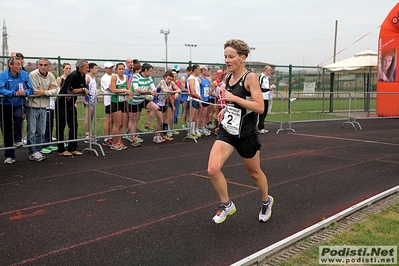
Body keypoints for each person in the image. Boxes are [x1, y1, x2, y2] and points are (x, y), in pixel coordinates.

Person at [207, 39, 273, 224]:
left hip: (246, 133)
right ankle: (226, 204)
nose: (227, 60)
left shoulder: (250, 78)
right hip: (228, 131)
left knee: (254, 173)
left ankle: (266, 201)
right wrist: (225, 109)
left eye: (231, 56)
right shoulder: (227, 77)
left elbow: (259, 107)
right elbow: (232, 103)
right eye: (225, 56)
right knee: (213, 169)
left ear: (242, 58)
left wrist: (233, 98)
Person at [0, 56, 33, 164]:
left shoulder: (24, 74)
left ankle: (18, 139)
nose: (20, 66)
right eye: (18, 64)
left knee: (19, 116)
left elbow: (30, 89)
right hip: (5, 105)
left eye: (21, 64)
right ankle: (10, 155)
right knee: (6, 129)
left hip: (19, 104)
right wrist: (13, 93)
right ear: (11, 65)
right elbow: (1, 89)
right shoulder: (3, 75)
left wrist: (25, 93)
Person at [26, 58, 58, 161]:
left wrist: (44, 92)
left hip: (44, 107)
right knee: (32, 131)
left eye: (45, 65)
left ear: (48, 66)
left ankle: (38, 150)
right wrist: (48, 91)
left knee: (41, 131)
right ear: (37, 66)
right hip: (32, 107)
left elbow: (55, 89)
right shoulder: (33, 75)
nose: (43, 67)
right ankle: (32, 152)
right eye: (41, 65)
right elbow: (35, 91)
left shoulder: (51, 75)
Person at [56, 59, 89, 156]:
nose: (88, 69)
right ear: (80, 67)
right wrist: (82, 90)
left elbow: (80, 90)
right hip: (62, 103)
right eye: (86, 67)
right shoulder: (73, 75)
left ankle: (72, 148)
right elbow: (70, 90)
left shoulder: (83, 76)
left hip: (71, 104)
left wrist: (82, 90)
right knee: (61, 126)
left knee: (74, 125)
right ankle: (61, 149)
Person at [108, 63, 132, 150]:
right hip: (115, 102)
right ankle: (114, 142)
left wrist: (129, 93)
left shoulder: (125, 77)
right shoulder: (114, 77)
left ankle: (119, 141)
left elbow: (128, 89)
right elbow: (114, 89)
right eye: (119, 69)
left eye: (122, 69)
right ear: (116, 70)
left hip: (123, 102)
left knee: (121, 124)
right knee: (117, 124)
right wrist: (124, 90)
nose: (121, 71)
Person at [84, 63, 98, 143]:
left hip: (93, 99)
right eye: (95, 68)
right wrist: (84, 100)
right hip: (88, 99)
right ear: (91, 69)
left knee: (91, 118)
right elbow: (83, 88)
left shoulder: (93, 78)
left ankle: (90, 134)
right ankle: (87, 135)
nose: (97, 69)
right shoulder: (87, 77)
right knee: (87, 117)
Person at [101, 62, 114, 147]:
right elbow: (111, 88)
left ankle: (111, 136)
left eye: (112, 67)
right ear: (105, 68)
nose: (111, 69)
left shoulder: (114, 76)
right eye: (109, 67)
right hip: (109, 101)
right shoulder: (104, 78)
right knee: (108, 119)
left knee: (114, 120)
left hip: (115, 100)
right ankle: (106, 138)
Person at [258, 66, 274, 134]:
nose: (271, 72)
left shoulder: (267, 78)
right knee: (262, 112)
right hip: (262, 97)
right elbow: (259, 88)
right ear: (267, 70)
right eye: (270, 70)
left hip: (266, 97)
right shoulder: (261, 77)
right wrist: (268, 89)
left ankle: (262, 126)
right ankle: (261, 127)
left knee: (265, 112)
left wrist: (270, 89)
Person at [187, 64, 202, 138]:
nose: (200, 71)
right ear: (195, 70)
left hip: (196, 99)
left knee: (195, 116)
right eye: (199, 69)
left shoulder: (196, 78)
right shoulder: (191, 79)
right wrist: (199, 97)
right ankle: (190, 132)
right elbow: (192, 91)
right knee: (192, 116)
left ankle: (192, 131)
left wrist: (199, 99)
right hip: (192, 99)